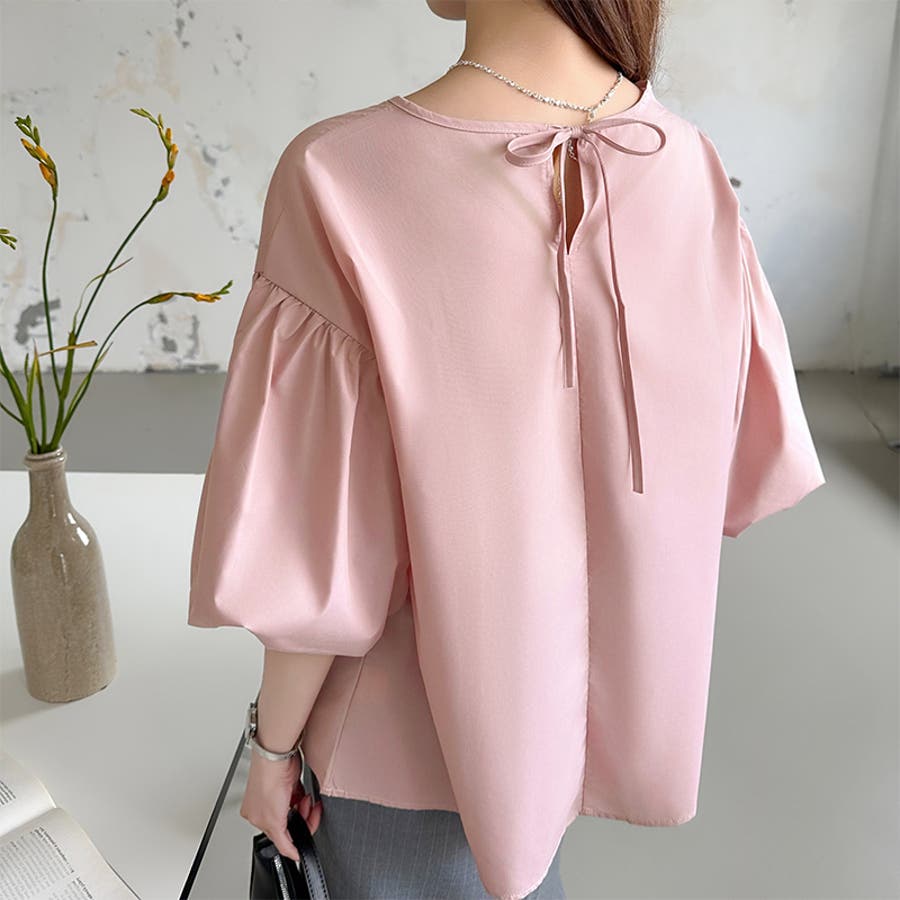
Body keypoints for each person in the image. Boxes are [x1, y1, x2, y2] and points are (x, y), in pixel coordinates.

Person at [187, 1, 827, 898]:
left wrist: (271, 749)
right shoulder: (685, 159)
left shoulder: (340, 177)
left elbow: (320, 551)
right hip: (569, 733)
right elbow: (748, 462)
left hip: (398, 754)